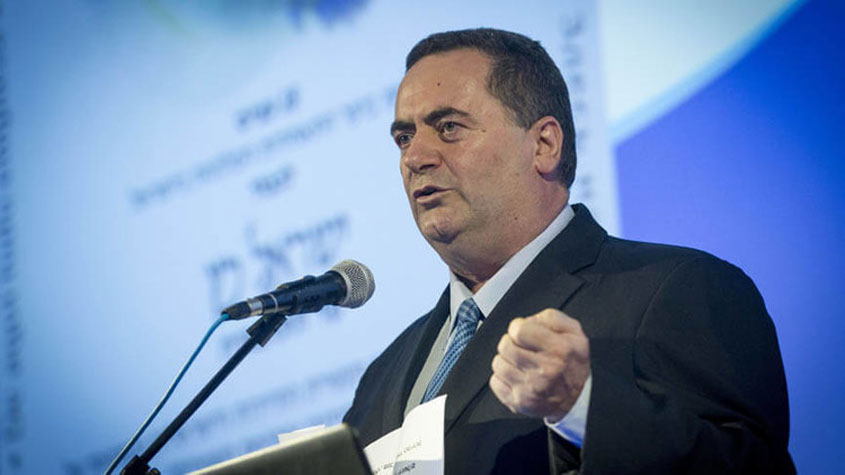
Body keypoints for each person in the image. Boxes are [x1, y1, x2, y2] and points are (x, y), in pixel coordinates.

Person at [343, 28, 794, 474]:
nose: (415, 157)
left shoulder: (679, 290)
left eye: (449, 128)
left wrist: (583, 406)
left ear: (544, 145)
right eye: (404, 138)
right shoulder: (382, 377)